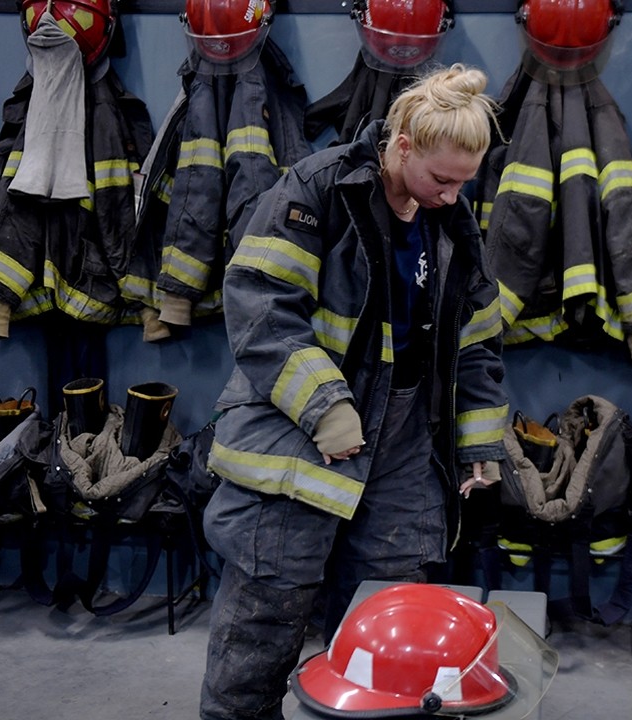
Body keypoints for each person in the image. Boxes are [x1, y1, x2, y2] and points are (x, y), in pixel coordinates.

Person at [199, 63, 509, 720]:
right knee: (261, 627)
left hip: (401, 443)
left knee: (389, 628)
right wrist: (324, 404)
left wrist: (478, 438)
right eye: (441, 179)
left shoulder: (448, 220)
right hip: (300, 438)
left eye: (463, 183)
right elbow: (260, 305)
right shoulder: (316, 190)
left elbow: (476, 337)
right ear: (402, 144)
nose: (453, 196)